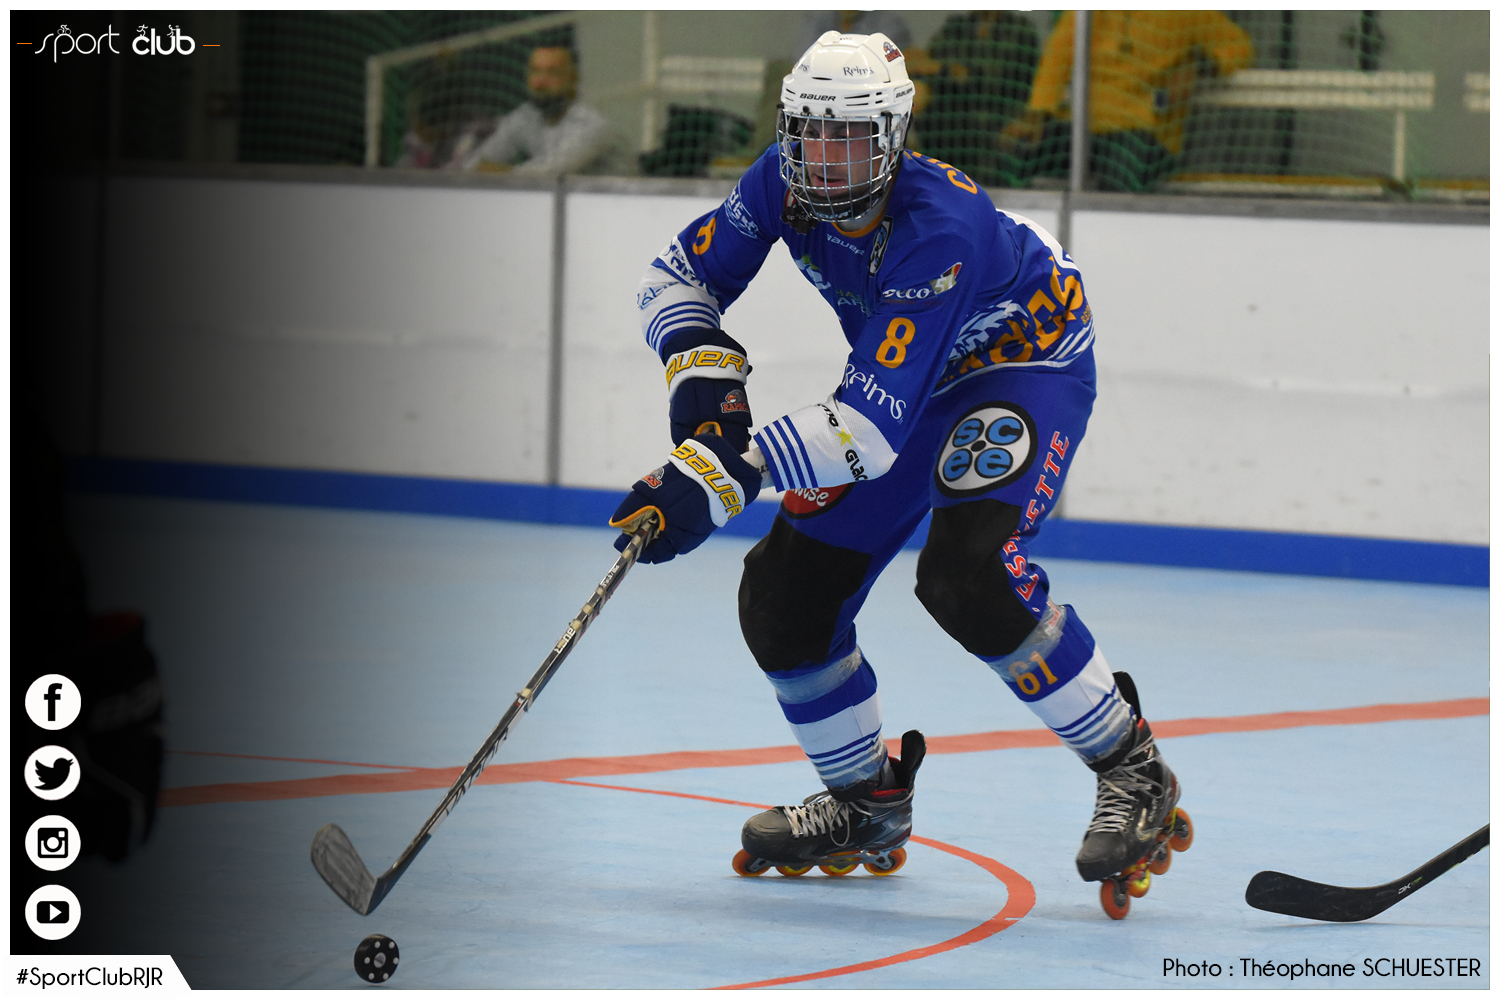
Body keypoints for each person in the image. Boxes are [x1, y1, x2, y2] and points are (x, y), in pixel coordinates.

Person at [608, 32, 1191, 918]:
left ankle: (1133, 767)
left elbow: (868, 432)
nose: (823, 158)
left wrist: (727, 472)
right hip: (906, 386)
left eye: (847, 137)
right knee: (783, 596)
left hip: (1019, 365)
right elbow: (674, 277)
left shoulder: (940, 226)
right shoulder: (777, 182)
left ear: (893, 137)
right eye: (807, 133)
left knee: (967, 575)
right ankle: (864, 799)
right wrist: (704, 384)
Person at [999, 11, 1254, 192]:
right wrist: (1036, 114)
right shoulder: (1088, 10)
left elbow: (1239, 46)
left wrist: (1199, 66)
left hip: (1145, 131)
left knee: (1119, 181)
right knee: (1016, 159)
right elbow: (1057, 56)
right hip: (1083, 129)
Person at [456, 44, 626, 176]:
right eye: (535, 72)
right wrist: (477, 167)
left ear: (574, 78)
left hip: (620, 203)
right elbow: (477, 162)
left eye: (552, 72)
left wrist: (496, 171)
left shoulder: (592, 124)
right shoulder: (525, 116)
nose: (540, 82)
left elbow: (549, 173)